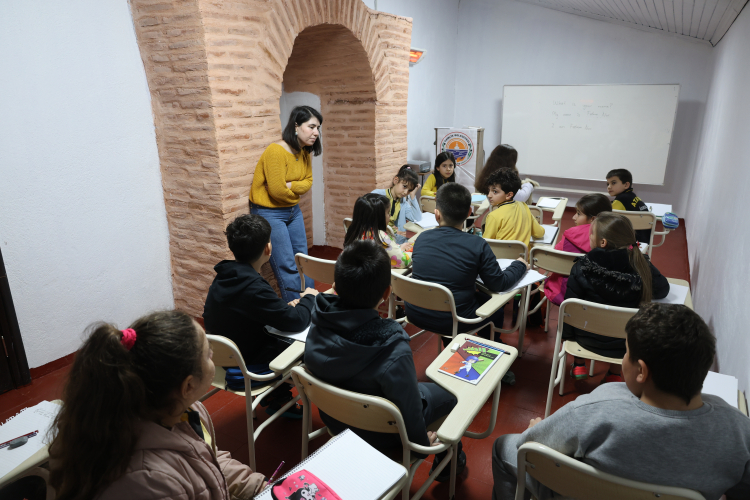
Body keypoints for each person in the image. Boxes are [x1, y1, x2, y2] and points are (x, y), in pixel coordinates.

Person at [492, 303, 750, 500]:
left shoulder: (597, 407)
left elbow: (530, 448)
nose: (623, 359)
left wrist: (535, 430)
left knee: (503, 447)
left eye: (626, 352)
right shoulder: (739, 430)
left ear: (642, 371)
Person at [49, 310, 267, 500]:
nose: (213, 357)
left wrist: (261, 487)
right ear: (188, 385)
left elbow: (207, 458)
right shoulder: (148, 483)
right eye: (208, 354)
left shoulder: (185, 409)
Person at [304, 240, 466, 481]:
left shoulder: (317, 323)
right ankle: (450, 467)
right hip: (381, 436)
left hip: (336, 423)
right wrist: (421, 446)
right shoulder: (393, 348)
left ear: (335, 287)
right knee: (452, 396)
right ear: (387, 293)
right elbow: (410, 412)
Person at [406, 183, 528, 383]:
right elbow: (499, 284)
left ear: (437, 214)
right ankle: (490, 355)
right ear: (470, 213)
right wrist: (519, 265)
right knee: (495, 308)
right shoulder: (477, 244)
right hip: (455, 320)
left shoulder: (421, 239)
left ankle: (454, 347)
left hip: (415, 312)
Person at [203, 214, 318, 415]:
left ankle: (276, 397)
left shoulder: (225, 275)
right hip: (248, 363)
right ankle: (286, 398)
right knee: (310, 342)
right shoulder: (254, 287)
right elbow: (297, 321)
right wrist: (309, 297)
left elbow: (251, 310)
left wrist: (285, 308)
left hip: (221, 357)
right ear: (268, 248)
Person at [565, 212, 669, 383]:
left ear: (602, 242)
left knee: (583, 313)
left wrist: (568, 336)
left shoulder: (581, 266)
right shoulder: (641, 266)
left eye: (591, 233)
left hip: (585, 338)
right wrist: (646, 262)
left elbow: (570, 307)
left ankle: (579, 364)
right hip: (625, 345)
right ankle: (614, 373)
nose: (589, 236)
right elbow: (663, 289)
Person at [249, 105, 323, 303]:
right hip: (269, 212)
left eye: (318, 128)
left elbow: (308, 182)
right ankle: (296, 311)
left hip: (292, 211)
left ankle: (311, 304)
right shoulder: (276, 151)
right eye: (311, 127)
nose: (316, 132)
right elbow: (277, 191)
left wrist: (290, 186)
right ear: (296, 126)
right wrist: (294, 192)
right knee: (287, 265)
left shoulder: (304, 151)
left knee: (304, 260)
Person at [543, 193, 612, 305]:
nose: (573, 217)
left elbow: (553, 259)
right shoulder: (618, 239)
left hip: (564, 292)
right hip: (603, 297)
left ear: (593, 219)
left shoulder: (570, 235)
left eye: (578, 214)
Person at [344, 193, 412, 268]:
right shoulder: (380, 236)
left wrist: (399, 248)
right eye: (388, 212)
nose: (390, 216)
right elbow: (403, 262)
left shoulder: (354, 231)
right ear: (379, 217)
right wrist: (413, 253)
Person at [482, 168, 545, 246]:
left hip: (499, 254)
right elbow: (539, 233)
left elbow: (485, 244)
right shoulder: (524, 206)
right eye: (489, 190)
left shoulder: (493, 216)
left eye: (495, 191)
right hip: (524, 253)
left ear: (509, 195)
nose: (489, 195)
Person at [474, 145, 538, 220]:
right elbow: (521, 197)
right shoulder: (505, 178)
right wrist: (529, 185)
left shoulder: (486, 175)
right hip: (510, 217)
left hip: (496, 215)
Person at [372, 165, 422, 244]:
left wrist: (412, 195)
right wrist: (392, 230)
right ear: (396, 180)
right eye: (404, 186)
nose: (405, 192)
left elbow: (417, 217)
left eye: (409, 190)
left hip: (397, 240)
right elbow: (370, 222)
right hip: (381, 240)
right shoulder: (377, 195)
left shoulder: (402, 202)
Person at [606, 168, 651, 243]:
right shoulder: (633, 196)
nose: (609, 187)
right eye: (608, 184)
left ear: (626, 185)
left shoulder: (620, 201)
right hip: (644, 241)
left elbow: (608, 220)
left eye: (613, 183)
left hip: (627, 242)